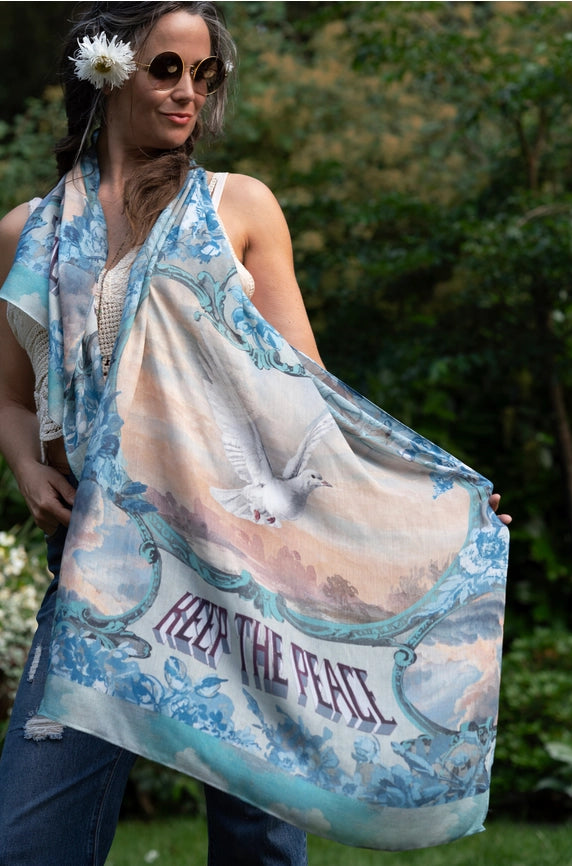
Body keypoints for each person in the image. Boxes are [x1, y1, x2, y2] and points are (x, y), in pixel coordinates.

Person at [0, 3, 511, 865]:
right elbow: (12, 397)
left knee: (259, 847)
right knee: (31, 840)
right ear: (105, 70)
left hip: (247, 573)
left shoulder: (234, 206)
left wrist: (437, 508)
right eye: (167, 68)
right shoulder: (30, 233)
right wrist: (23, 462)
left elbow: (310, 399)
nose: (188, 92)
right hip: (99, 561)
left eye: (205, 75)